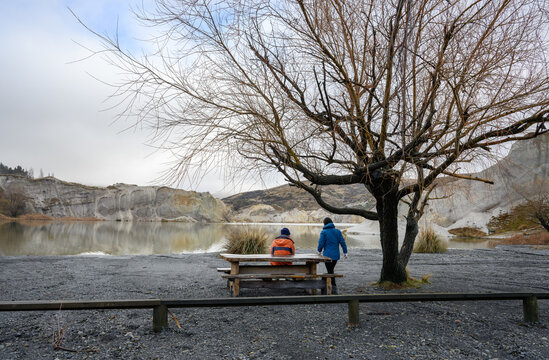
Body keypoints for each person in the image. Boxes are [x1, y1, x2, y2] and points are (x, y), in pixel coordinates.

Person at [317, 217, 347, 294]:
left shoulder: (324, 232)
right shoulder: (338, 231)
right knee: (330, 270)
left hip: (327, 256)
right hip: (336, 256)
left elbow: (321, 243)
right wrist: (345, 252)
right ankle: (325, 285)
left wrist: (319, 251)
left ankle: (333, 288)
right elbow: (343, 242)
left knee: (330, 271)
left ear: (324, 224)